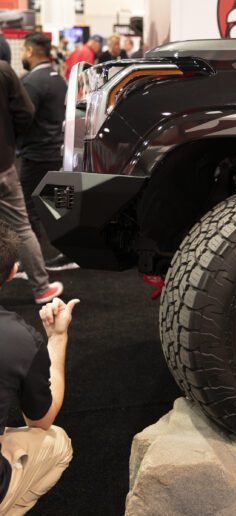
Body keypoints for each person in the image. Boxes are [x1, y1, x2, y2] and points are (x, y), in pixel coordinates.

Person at [0, 220, 78, 514]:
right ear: (12, 272)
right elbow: (40, 421)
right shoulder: (18, 339)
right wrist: (57, 338)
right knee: (58, 443)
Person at [0, 58, 63, 304]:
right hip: (4, 164)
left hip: (23, 160)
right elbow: (25, 113)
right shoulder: (4, 71)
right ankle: (41, 288)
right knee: (23, 227)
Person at [19, 32, 78, 272]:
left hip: (38, 155)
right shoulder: (58, 79)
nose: (22, 54)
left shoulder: (32, 82)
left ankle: (30, 263)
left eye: (23, 50)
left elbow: (23, 117)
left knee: (26, 209)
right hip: (57, 151)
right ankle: (70, 252)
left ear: (30, 51)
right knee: (59, 207)